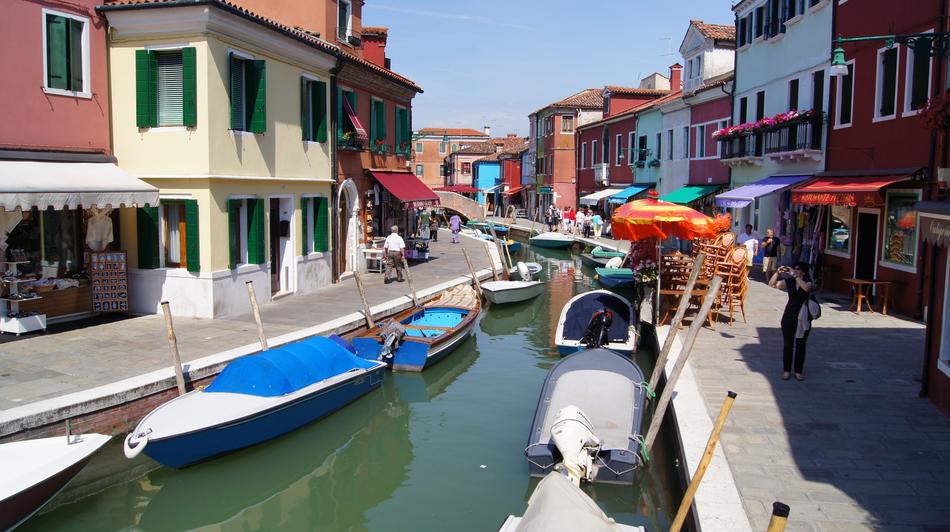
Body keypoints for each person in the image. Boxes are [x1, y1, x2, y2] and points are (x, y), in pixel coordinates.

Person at [768, 261, 814, 381]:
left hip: (803, 317)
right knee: (788, 344)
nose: (795, 270)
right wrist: (777, 273)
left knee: (800, 345)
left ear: (803, 271)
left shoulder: (808, 282)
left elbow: (806, 288)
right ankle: (786, 370)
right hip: (789, 316)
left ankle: (798, 371)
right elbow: (772, 284)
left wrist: (794, 275)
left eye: (798, 269)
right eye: (794, 268)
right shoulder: (790, 281)